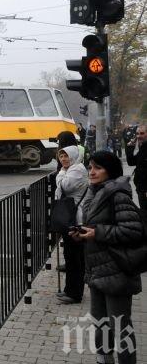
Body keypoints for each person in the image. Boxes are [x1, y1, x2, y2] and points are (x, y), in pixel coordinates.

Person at [71, 151, 144, 364]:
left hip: (117, 271)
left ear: (109, 171)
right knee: (100, 322)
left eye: (98, 168)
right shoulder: (94, 192)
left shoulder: (118, 195)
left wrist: (97, 233)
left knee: (120, 327)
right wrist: (82, 235)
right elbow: (97, 227)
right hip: (97, 270)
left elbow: (133, 231)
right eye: (90, 167)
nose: (91, 172)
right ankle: (103, 360)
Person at [54, 146, 89, 304]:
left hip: (76, 219)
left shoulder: (77, 170)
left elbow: (63, 187)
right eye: (61, 156)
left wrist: (61, 173)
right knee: (71, 256)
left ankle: (75, 293)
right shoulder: (73, 169)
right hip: (72, 217)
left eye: (66, 156)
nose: (63, 159)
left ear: (74, 156)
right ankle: (70, 289)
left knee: (74, 257)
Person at [125, 124, 146, 220]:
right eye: (137, 133)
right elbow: (132, 162)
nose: (138, 136)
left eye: (142, 133)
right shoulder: (143, 147)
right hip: (141, 188)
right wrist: (129, 147)